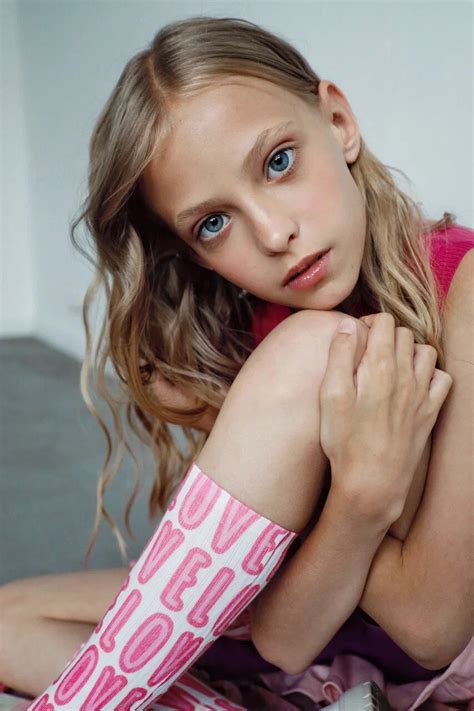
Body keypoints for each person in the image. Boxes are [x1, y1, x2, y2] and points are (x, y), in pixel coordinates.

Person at [0, 15, 472, 711]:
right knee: (8, 621)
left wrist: (348, 483)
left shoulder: (463, 289)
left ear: (338, 122)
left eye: (278, 162)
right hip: (333, 633)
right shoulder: (259, 329)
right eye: (214, 223)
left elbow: (432, 625)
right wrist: (355, 494)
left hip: (441, 652)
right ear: (194, 252)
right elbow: (284, 637)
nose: (275, 234)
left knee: (311, 348)